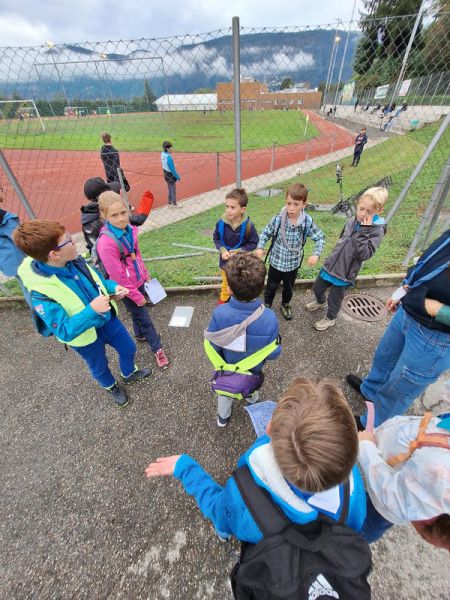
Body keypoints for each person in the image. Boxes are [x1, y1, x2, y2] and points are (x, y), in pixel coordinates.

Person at [144, 376, 366, 548]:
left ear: (268, 429)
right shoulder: (352, 484)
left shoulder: (246, 492)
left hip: (262, 540)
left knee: (224, 526)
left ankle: (223, 538)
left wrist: (185, 468)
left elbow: (220, 511)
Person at [15, 220, 152, 407]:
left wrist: (114, 287)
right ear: (54, 255)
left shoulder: (75, 261)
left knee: (129, 347)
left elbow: (99, 282)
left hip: (107, 320)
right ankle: (111, 386)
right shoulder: (41, 293)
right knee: (99, 366)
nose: (74, 241)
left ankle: (128, 373)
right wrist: (92, 310)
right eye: (68, 240)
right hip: (85, 338)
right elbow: (63, 331)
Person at [347, 229, 450, 428]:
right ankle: (371, 391)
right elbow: (431, 261)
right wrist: (404, 289)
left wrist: (439, 311)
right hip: (410, 307)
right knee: (385, 357)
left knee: (399, 388)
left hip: (435, 336)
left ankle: (372, 425)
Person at [204, 253, 281, 427]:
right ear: (262, 287)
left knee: (224, 394)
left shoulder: (220, 313)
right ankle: (252, 400)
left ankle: (223, 418)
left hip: (227, 370)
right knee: (251, 385)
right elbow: (274, 352)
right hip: (253, 370)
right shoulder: (269, 318)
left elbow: (214, 344)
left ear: (229, 289)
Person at [96, 191, 169, 369]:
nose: (122, 219)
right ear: (104, 216)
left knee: (137, 314)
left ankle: (139, 335)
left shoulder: (130, 229)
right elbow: (118, 277)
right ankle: (157, 348)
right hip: (126, 290)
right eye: (114, 215)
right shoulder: (106, 244)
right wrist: (136, 296)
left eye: (123, 213)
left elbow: (136, 254)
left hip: (138, 280)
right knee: (144, 317)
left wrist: (145, 273)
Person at [358, 413, 450, 550]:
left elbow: (392, 497)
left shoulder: (439, 475)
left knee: (365, 523)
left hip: (390, 500)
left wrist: (366, 447)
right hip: (408, 467)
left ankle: (344, 543)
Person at [306, 187, 388, 331]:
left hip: (345, 272)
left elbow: (365, 255)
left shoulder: (376, 230)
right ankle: (320, 301)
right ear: (357, 205)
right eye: (361, 209)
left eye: (369, 212)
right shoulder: (352, 220)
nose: (363, 214)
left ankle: (330, 318)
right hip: (331, 264)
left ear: (379, 211)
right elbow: (342, 239)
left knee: (335, 299)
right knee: (317, 288)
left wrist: (364, 232)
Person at [254, 183, 325, 321]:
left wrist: (316, 254)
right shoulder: (278, 218)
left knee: (289, 288)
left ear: (304, 204)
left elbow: (320, 237)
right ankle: (267, 304)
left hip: (293, 264)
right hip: (276, 261)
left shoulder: (307, 222)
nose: (291, 208)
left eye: (296, 204)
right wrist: (260, 246)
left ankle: (285, 304)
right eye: (289, 203)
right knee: (271, 286)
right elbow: (265, 232)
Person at [212, 188, 259, 304]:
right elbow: (216, 239)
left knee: (240, 285)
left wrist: (240, 250)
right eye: (226, 206)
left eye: (232, 207)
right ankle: (223, 304)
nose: (228, 210)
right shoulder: (221, 223)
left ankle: (240, 304)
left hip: (241, 265)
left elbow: (253, 243)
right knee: (225, 286)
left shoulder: (248, 226)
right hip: (225, 264)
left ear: (242, 209)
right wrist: (222, 250)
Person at [80, 177, 151, 253]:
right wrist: (141, 216)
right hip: (112, 257)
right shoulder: (99, 221)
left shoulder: (89, 213)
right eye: (114, 215)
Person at [0, 186, 31, 305]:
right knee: (34, 290)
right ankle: (42, 317)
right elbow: (21, 239)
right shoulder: (5, 219)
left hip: (7, 262)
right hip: (22, 261)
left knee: (26, 288)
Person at [161, 141, 181, 207]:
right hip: (170, 176)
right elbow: (172, 170)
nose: (172, 149)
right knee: (173, 190)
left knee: (169, 189)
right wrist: (178, 178)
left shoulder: (162, 154)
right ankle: (174, 204)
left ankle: (169, 203)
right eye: (171, 148)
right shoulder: (169, 158)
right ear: (168, 149)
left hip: (165, 174)